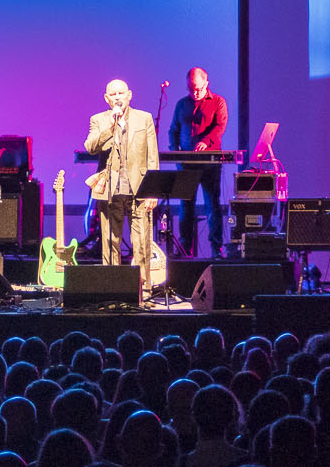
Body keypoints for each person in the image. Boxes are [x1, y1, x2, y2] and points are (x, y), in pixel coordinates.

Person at [85, 78, 159, 295]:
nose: (117, 97)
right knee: (111, 241)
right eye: (113, 94)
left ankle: (143, 287)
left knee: (142, 241)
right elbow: (90, 147)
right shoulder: (98, 120)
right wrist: (111, 126)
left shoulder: (144, 118)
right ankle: (112, 286)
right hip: (111, 190)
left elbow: (152, 156)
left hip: (140, 189)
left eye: (121, 93)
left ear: (129, 95)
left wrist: (152, 191)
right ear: (107, 98)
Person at [169, 66, 228, 257]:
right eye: (191, 89)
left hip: (209, 163)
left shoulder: (218, 102)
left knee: (212, 204)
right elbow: (173, 129)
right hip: (186, 163)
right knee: (186, 205)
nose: (194, 93)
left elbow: (220, 126)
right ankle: (185, 248)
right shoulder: (181, 104)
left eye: (198, 89)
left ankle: (216, 249)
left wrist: (205, 141)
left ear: (206, 83)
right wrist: (174, 148)